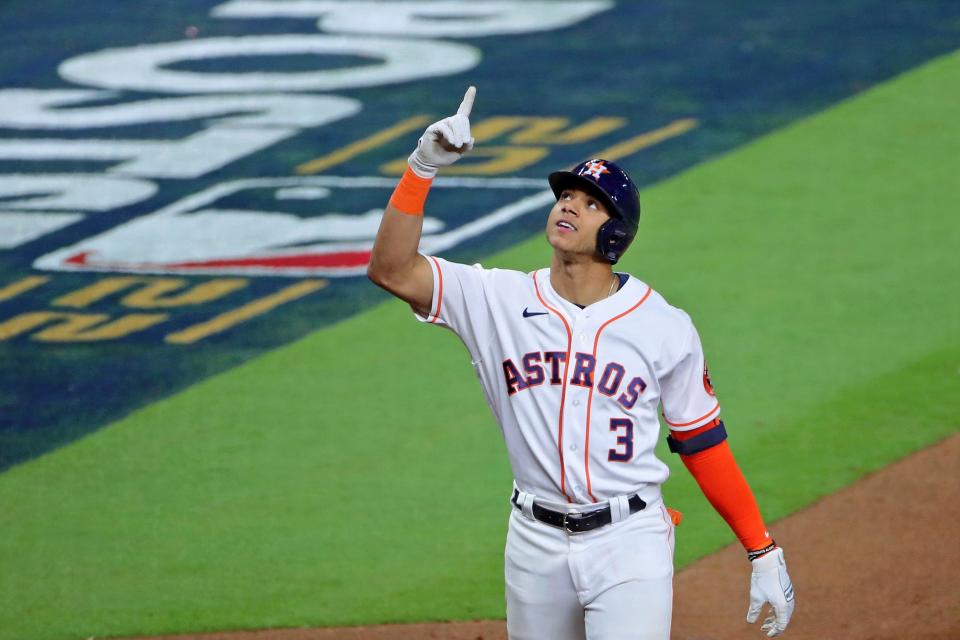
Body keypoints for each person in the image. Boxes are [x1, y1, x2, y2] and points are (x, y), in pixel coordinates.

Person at [367, 86, 795, 640]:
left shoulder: (663, 325)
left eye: (590, 203)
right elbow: (392, 270)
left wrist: (760, 547)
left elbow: (701, 440)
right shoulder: (496, 299)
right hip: (533, 541)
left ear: (615, 235)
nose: (568, 204)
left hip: (629, 542)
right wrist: (422, 167)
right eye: (566, 195)